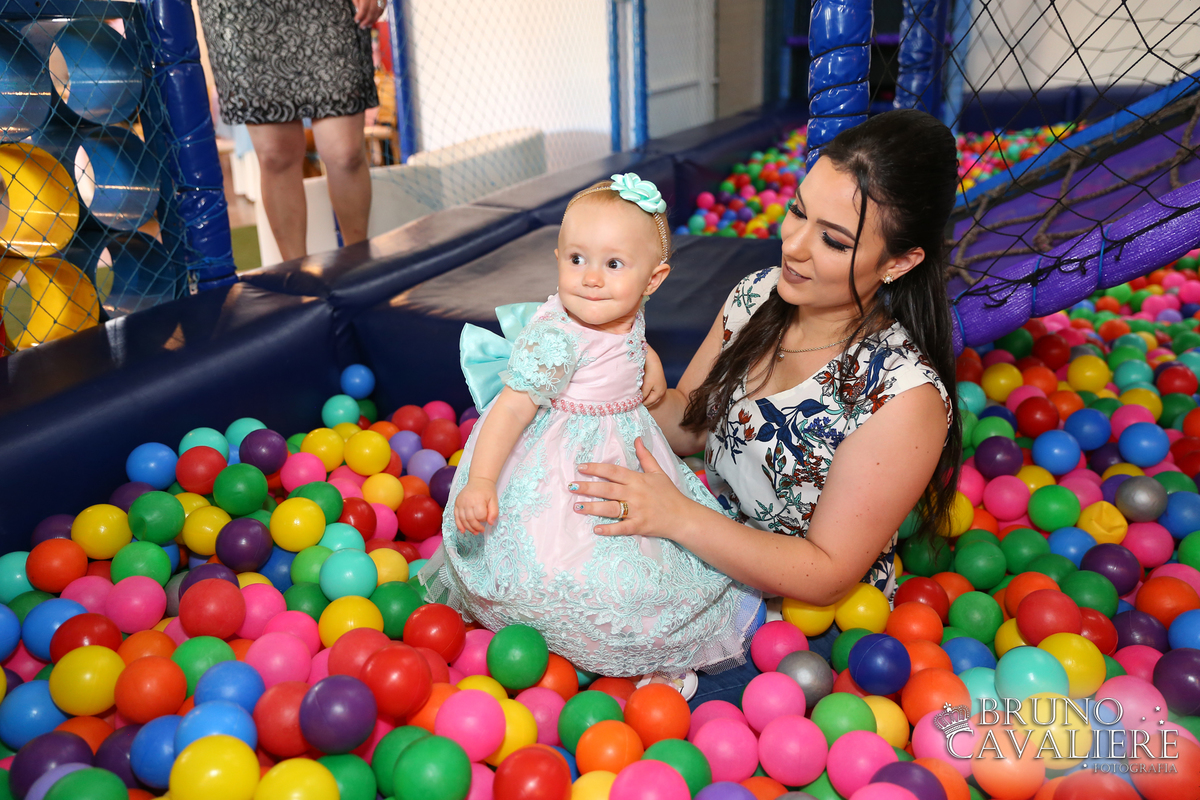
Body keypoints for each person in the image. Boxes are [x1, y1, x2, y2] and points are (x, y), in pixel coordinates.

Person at [566, 110, 963, 705]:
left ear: (898, 263)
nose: (794, 246)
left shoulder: (903, 396)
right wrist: (634, 380)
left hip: (802, 622)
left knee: (644, 712)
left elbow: (825, 572)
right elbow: (688, 426)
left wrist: (676, 516)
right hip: (696, 553)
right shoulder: (756, 296)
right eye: (798, 211)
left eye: (834, 240)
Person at [419, 174, 761, 691]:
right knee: (566, 565)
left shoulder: (623, 310)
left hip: (624, 452)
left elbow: (631, 337)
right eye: (577, 259)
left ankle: (646, 645)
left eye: (613, 264)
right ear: (557, 257)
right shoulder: (556, 338)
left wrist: (649, 361)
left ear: (652, 280)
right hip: (562, 468)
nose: (592, 279)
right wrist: (482, 482)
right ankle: (580, 640)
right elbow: (509, 411)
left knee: (650, 555)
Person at [196, 0, 383, 261]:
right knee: (276, 155)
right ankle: (296, 272)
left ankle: (360, 267)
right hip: (243, 11)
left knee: (345, 154)